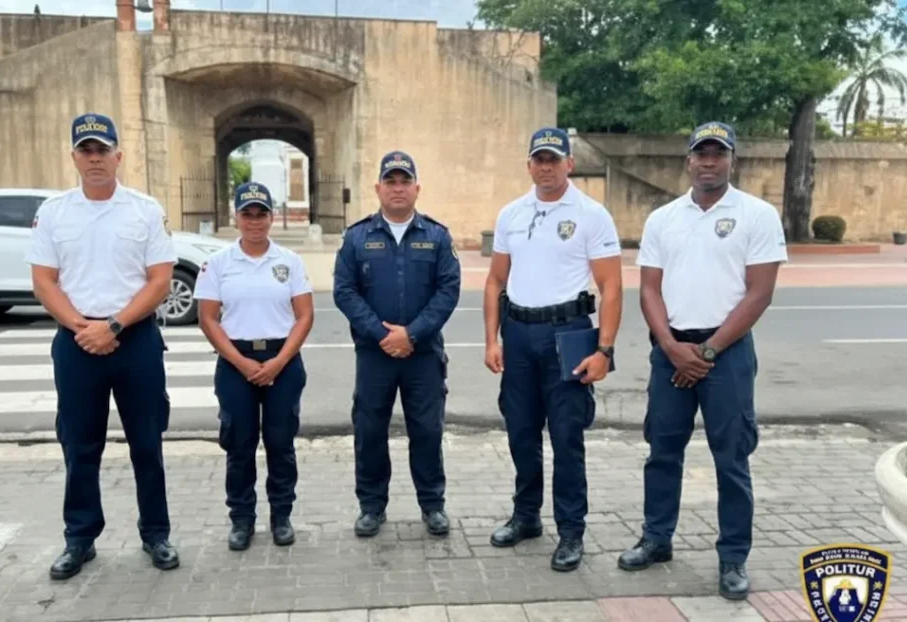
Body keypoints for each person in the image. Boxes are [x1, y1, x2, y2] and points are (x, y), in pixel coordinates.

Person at [616, 121, 787, 601]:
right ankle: (656, 538)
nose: (708, 161)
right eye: (701, 153)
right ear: (688, 160)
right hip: (670, 351)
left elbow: (760, 293)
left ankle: (733, 557)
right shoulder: (663, 219)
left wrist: (707, 351)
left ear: (732, 160)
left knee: (731, 459)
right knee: (662, 451)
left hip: (726, 356)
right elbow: (649, 288)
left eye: (718, 153)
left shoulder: (757, 215)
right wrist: (671, 346)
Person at [27, 112, 180, 580]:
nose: (94, 159)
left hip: (134, 340)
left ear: (119, 156)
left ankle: (156, 533)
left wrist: (113, 325)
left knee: (147, 442)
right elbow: (43, 281)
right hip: (76, 344)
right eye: (85, 150)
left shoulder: (145, 209)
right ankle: (80, 538)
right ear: (74, 156)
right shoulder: (54, 213)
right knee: (79, 443)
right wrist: (81, 327)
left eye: (102, 150)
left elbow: (160, 279)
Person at [482, 127, 623, 572]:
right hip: (519, 335)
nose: (546, 167)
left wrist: (604, 349)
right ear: (529, 164)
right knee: (520, 433)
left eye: (554, 159)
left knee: (566, 437)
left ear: (569, 163)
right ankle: (526, 517)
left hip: (569, 335)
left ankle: (570, 531)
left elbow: (612, 286)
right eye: (538, 159)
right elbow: (495, 280)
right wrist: (492, 339)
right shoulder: (512, 214)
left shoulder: (590, 214)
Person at [333, 150, 461, 538]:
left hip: (422, 355)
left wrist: (412, 334)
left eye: (405, 181)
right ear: (378, 188)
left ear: (417, 188)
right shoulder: (357, 237)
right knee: (370, 430)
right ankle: (372, 506)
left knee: (427, 430)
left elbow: (448, 289)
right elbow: (344, 291)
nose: (398, 188)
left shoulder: (436, 236)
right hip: (375, 355)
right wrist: (383, 334)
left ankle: (432, 505)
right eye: (391, 181)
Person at [193, 181, 314, 551]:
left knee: (280, 444)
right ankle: (242, 519)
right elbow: (208, 319)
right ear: (237, 217)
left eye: (262, 213)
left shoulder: (290, 262)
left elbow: (305, 316)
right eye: (248, 213)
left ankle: (281, 516)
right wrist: (242, 362)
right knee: (239, 445)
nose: (255, 221)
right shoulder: (217, 264)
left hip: (283, 360)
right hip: (236, 363)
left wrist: (278, 362)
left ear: (272, 217)